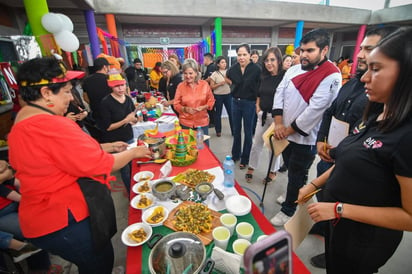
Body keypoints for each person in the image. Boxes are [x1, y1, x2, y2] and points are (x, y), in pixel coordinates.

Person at [8, 57, 151, 274]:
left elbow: (60, 156)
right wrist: (134, 152)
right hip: (64, 219)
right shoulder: (51, 125)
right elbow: (101, 165)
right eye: (65, 91)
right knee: (98, 263)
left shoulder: (23, 121)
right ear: (46, 93)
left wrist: (108, 145)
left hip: (39, 218)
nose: (70, 98)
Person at [297, 26, 412, 274]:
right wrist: (315, 184)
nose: (363, 78)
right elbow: (351, 159)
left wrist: (339, 208)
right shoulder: (377, 112)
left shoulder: (406, 135)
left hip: (363, 240)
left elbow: (410, 216)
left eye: (376, 69)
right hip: (341, 225)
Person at [271, 29, 342, 226]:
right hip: (284, 132)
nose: (303, 55)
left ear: (324, 50)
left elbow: (316, 109)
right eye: (302, 50)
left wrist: (287, 129)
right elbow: (279, 92)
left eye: (310, 50)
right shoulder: (294, 69)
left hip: (306, 138)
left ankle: (289, 209)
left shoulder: (332, 75)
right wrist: (278, 123)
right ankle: (293, 193)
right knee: (291, 169)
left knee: (297, 173)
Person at [245, 47, 285, 184]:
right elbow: (259, 94)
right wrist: (258, 107)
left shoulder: (285, 77)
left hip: (277, 118)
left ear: (279, 60)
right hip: (262, 116)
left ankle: (273, 170)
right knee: (257, 143)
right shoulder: (264, 76)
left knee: (273, 146)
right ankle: (252, 166)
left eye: (272, 60)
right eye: (267, 60)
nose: (269, 63)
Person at [98, 73, 138, 192]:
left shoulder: (128, 99)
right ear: (111, 87)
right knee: (125, 169)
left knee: (134, 166)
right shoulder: (106, 102)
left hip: (129, 137)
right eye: (117, 86)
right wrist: (126, 120)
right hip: (116, 141)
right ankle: (130, 192)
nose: (120, 88)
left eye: (122, 85)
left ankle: (136, 189)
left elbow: (133, 118)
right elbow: (108, 127)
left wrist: (134, 119)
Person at [226, 43, 261, 169]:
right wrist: (232, 85)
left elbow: (260, 88)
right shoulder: (233, 68)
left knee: (247, 132)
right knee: (236, 131)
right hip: (235, 102)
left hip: (249, 103)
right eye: (239, 55)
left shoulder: (256, 69)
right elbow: (227, 77)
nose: (241, 57)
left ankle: (245, 158)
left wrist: (258, 104)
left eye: (244, 54)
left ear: (250, 55)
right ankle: (236, 155)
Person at [173, 58, 215, 146]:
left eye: (190, 73)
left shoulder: (204, 85)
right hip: (186, 123)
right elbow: (176, 104)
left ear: (196, 73)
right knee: (188, 148)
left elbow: (211, 101)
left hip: (202, 123)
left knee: (202, 148)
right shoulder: (181, 86)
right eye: (185, 73)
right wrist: (185, 109)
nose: (188, 76)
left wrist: (204, 107)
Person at [209, 56, 233, 137]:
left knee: (231, 113)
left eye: (225, 62)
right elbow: (211, 87)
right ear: (218, 64)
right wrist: (219, 84)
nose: (224, 64)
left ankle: (234, 131)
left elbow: (232, 83)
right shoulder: (214, 74)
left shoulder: (229, 72)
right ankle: (218, 131)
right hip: (218, 96)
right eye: (222, 62)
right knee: (218, 114)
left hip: (228, 95)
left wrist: (228, 81)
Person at [202, 53, 217, 128]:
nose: (203, 61)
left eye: (204, 59)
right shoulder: (208, 67)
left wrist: (202, 82)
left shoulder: (211, 67)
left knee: (210, 106)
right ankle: (212, 121)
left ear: (207, 59)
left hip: (211, 90)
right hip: (208, 89)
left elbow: (210, 78)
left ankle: (213, 122)